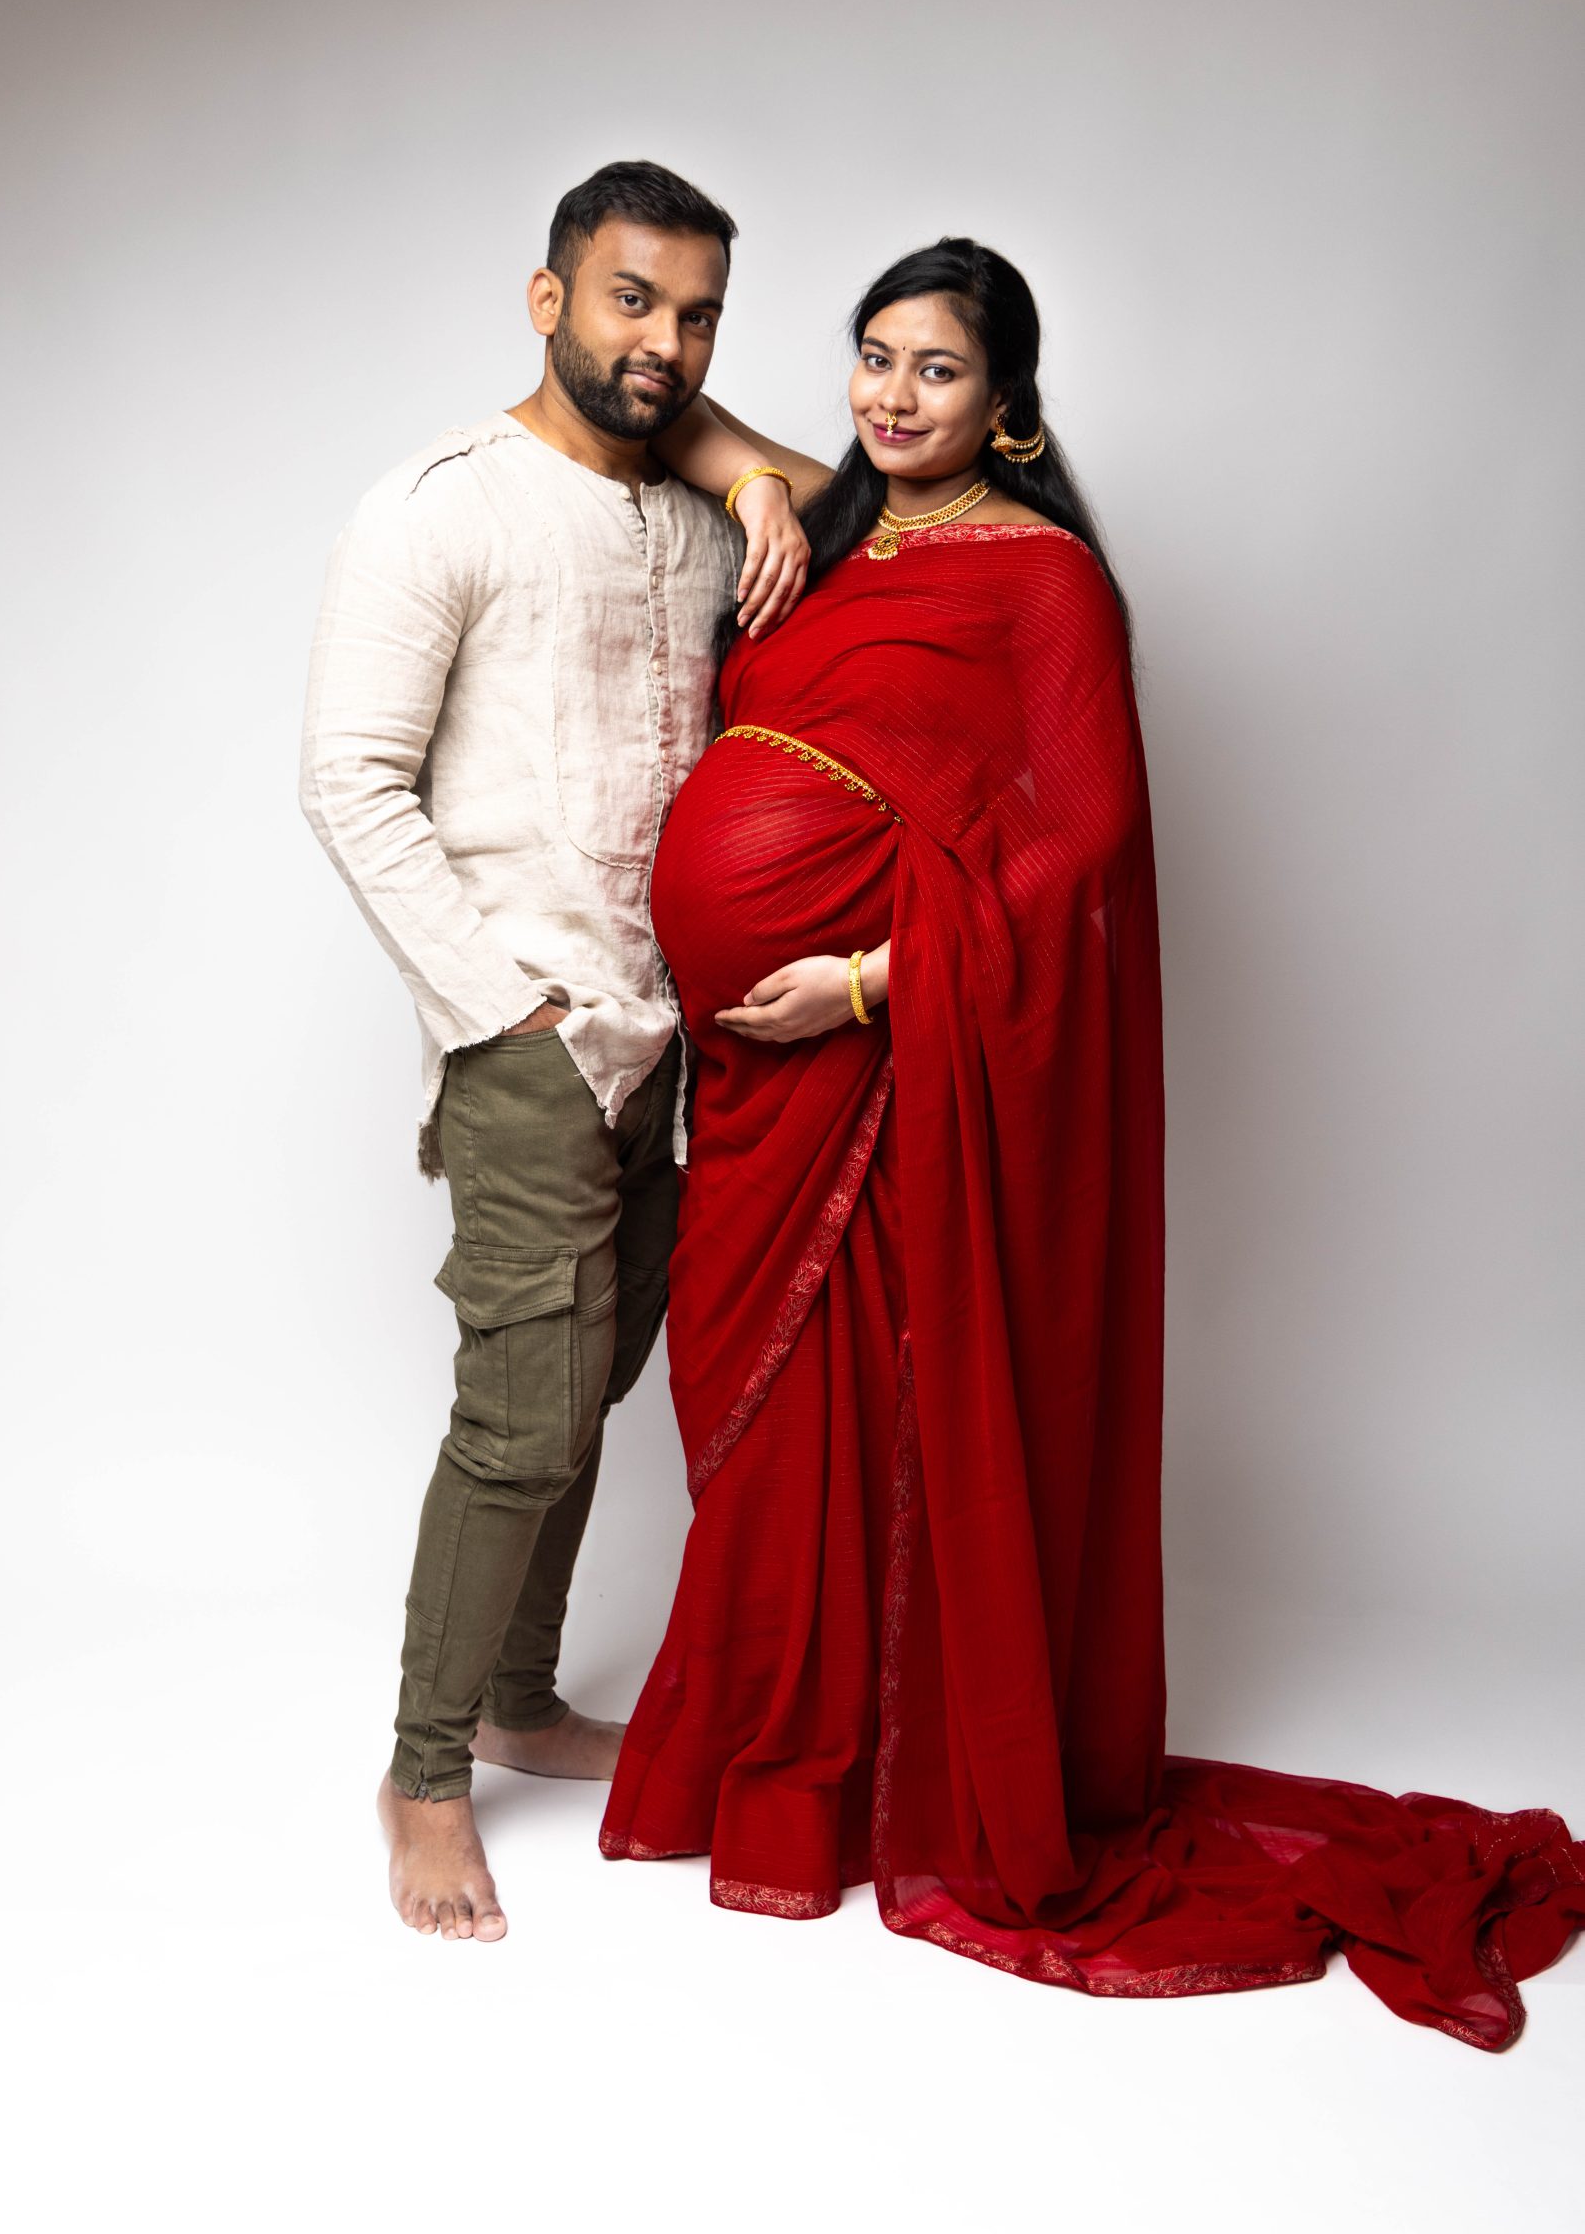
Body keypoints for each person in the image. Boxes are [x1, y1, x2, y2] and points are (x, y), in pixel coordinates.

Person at [599, 236, 1585, 2047]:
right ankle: (780, 1755)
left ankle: (867, 1786)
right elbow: (663, 413)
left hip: (876, 1062)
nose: (894, 395)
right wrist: (756, 482)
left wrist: (872, 982)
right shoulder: (827, 524)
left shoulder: (1045, 581)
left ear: (1010, 404)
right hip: (752, 1085)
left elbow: (1082, 855)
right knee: (763, 1425)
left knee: (874, 1415)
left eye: (938, 370)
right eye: (873, 356)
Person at [300, 160, 808, 1943]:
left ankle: (521, 1696)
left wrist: (745, 469)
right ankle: (425, 1773)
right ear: (548, 299)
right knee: (521, 1417)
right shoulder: (439, 506)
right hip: (522, 1031)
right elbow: (349, 780)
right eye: (629, 300)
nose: (663, 341)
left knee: (588, 1394)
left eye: (698, 316)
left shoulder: (707, 519)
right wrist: (499, 1006)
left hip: (675, 1041)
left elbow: (862, 502)